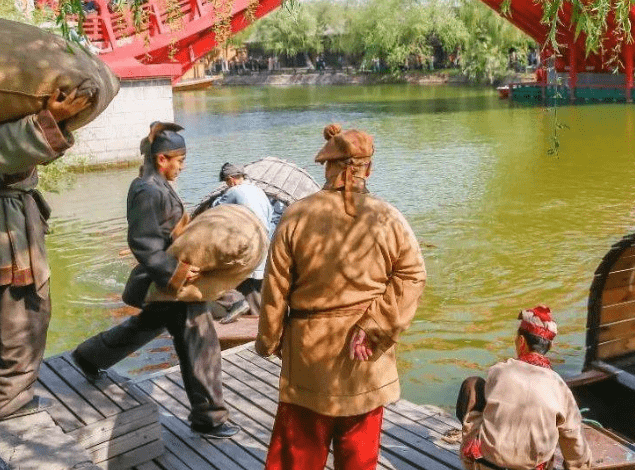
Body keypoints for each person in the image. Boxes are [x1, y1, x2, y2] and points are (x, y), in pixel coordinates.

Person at [255, 123, 426, 470]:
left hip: (308, 358)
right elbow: (413, 276)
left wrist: (270, 342)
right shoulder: (387, 218)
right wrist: (375, 324)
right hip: (364, 360)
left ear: (327, 166)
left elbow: (274, 291)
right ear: (369, 168)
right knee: (359, 460)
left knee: (298, 460)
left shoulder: (295, 217)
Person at [72, 122, 239, 439]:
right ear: (162, 159)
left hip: (167, 281)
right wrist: (180, 273)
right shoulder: (148, 191)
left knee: (146, 326)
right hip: (170, 283)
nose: (183, 166)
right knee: (200, 345)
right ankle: (209, 418)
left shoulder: (154, 185)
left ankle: (89, 354)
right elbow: (145, 244)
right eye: (180, 159)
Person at [0, 88, 91, 419]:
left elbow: (27, 153)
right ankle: (10, 404)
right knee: (22, 320)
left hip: (14, 217)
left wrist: (53, 123)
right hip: (7, 228)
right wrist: (47, 120)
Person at [456, 307, 591, 470]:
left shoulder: (498, 371)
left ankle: (470, 462)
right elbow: (576, 447)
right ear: (550, 346)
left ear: (521, 341)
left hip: (487, 466)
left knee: (472, 385)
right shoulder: (559, 387)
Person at [210, 162, 274, 319]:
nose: (227, 185)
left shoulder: (234, 191)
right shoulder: (259, 191)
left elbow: (215, 209)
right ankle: (262, 318)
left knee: (246, 284)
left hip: (247, 247)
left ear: (231, 179)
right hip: (264, 243)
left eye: (226, 182)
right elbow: (271, 214)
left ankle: (252, 320)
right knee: (259, 285)